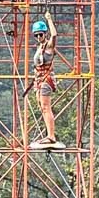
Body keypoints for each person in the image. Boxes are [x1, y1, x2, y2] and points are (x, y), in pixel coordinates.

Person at [30, 15, 62, 147]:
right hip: (39, 80)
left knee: (45, 107)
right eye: (36, 35)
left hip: (45, 81)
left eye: (41, 34)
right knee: (42, 108)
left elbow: (54, 35)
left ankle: (51, 136)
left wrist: (49, 19)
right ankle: (49, 134)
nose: (38, 37)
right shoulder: (40, 47)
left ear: (45, 33)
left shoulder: (48, 46)